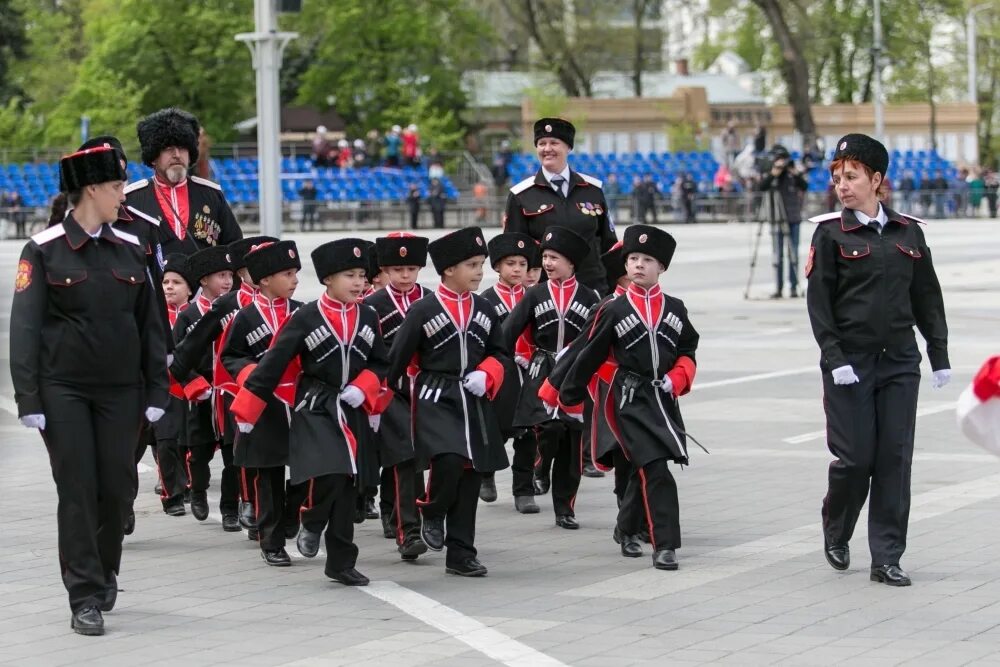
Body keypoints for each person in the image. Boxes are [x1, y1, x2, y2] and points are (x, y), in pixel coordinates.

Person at [10, 142, 168, 635]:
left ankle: (106, 568)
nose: (125, 196)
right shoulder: (43, 249)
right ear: (93, 188)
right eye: (119, 186)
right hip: (65, 392)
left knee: (117, 489)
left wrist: (158, 390)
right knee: (77, 487)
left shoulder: (129, 249)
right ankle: (84, 594)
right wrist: (29, 398)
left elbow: (151, 326)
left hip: (122, 391)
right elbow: (26, 330)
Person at [806, 133, 951, 587]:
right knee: (855, 459)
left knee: (894, 458)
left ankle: (886, 557)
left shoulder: (910, 232)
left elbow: (927, 296)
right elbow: (820, 304)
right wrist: (834, 357)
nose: (842, 186)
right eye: (837, 177)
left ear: (876, 179)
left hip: (899, 362)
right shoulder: (830, 232)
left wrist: (938, 353)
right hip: (849, 362)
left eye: (851, 177)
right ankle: (837, 527)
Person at [231, 238, 389, 586]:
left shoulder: (368, 314)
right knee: (330, 473)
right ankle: (310, 518)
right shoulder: (305, 316)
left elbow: (381, 362)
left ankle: (341, 562)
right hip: (315, 404)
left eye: (362, 275)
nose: (359, 283)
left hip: (352, 406)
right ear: (328, 279)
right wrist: (247, 408)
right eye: (350, 275)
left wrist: (364, 387)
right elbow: (272, 364)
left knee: (348, 485)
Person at [557, 225, 698, 571]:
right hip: (625, 400)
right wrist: (568, 394)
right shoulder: (614, 309)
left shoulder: (676, 309)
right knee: (655, 467)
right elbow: (589, 354)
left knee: (642, 469)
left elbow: (688, 350)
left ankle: (626, 527)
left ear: (661, 267)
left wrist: (676, 378)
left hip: (662, 400)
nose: (638, 265)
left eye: (647, 260)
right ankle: (665, 545)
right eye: (633, 258)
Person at [384, 227, 510, 576]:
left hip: (474, 397)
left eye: (481, 264)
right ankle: (432, 508)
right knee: (449, 460)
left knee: (471, 476)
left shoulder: (484, 307)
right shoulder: (423, 310)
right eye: (471, 264)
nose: (479, 271)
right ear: (448, 269)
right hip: (434, 395)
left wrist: (488, 372)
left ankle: (461, 553)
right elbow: (395, 361)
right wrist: (379, 405)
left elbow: (501, 352)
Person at [503, 227, 600, 529]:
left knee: (572, 442)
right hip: (541, 369)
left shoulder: (591, 296)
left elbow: (597, 339)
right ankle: (540, 468)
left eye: (554, 257)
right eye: (545, 256)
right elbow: (508, 331)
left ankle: (564, 509)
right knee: (548, 428)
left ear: (571, 263)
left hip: (574, 374)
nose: (547, 263)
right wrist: (496, 363)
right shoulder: (535, 293)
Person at [222, 240, 305, 567]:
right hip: (264, 404)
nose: (295, 279)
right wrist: (251, 375)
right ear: (265, 279)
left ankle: (292, 514)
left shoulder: (302, 312)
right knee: (268, 475)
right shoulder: (245, 317)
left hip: (299, 401)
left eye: (296, 272)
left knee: (307, 469)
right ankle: (271, 541)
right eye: (287, 273)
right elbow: (229, 355)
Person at [363, 233, 431, 560]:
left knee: (428, 459)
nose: (405, 276)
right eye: (397, 269)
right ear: (385, 270)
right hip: (390, 391)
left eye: (411, 268)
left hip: (429, 391)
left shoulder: (432, 300)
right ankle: (410, 532)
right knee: (405, 455)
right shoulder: (372, 306)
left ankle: (417, 516)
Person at [503, 117, 618, 294]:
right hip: (544, 295)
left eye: (554, 143)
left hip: (592, 289)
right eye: (542, 143)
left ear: (568, 147)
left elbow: (609, 245)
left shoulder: (592, 190)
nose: (547, 149)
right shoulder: (521, 195)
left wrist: (614, 292)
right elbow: (513, 252)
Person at [171, 246, 241, 531]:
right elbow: (176, 357)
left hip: (228, 394)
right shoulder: (188, 316)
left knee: (233, 455)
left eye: (229, 275)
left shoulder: (237, 310)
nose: (227, 281)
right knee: (199, 453)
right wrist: (193, 383)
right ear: (202, 280)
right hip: (200, 396)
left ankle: (230, 509)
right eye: (220, 275)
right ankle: (198, 490)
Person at [478, 232, 537, 512]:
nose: (516, 269)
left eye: (522, 264)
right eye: (510, 263)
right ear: (497, 267)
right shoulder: (486, 300)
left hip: (532, 372)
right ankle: (486, 474)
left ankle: (523, 490)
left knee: (530, 431)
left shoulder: (535, 296)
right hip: (501, 373)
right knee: (498, 429)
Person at [157, 254, 195, 516]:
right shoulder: (154, 315)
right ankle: (173, 495)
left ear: (190, 289)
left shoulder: (197, 315)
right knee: (166, 442)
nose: (169, 286)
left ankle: (192, 484)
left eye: (176, 282)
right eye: (165, 281)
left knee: (189, 444)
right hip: (162, 391)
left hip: (192, 389)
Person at [759, 145, 808, 299]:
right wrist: (774, 173)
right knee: (777, 255)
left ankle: (793, 287)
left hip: (793, 218)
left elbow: (805, 186)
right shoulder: (772, 173)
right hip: (777, 218)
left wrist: (795, 172)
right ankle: (778, 287)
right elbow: (762, 187)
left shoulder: (792, 173)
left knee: (793, 254)